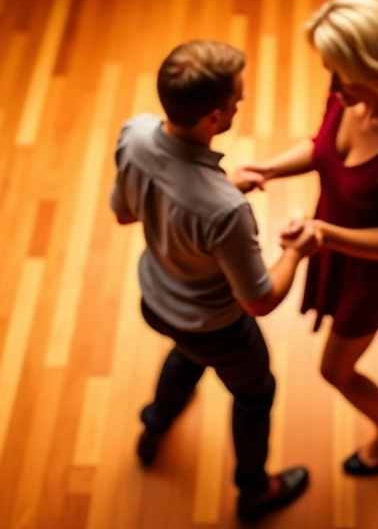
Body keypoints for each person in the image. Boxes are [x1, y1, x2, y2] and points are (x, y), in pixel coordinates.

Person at [237, 0, 378, 476]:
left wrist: (321, 235)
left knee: (335, 370)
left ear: (376, 66)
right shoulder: (350, 92)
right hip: (340, 242)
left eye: (344, 73)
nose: (334, 86)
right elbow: (322, 150)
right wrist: (266, 169)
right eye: (330, 70)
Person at [109, 40, 319, 520]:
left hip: (156, 300)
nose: (239, 108)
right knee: (255, 393)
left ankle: (155, 425)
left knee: (185, 354)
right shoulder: (226, 214)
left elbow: (124, 214)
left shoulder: (135, 134)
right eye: (236, 103)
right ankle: (253, 491)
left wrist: (218, 186)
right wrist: (296, 252)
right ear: (212, 118)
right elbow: (260, 301)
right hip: (219, 328)